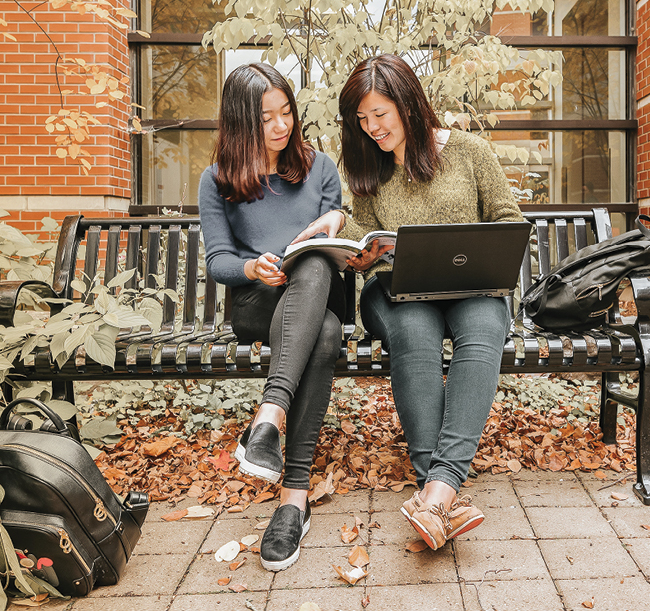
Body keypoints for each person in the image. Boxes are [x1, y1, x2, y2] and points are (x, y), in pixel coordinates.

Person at [293, 53, 524, 550]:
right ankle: (443, 494)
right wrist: (344, 233)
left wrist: (477, 247)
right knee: (414, 335)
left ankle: (435, 493)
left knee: (483, 333)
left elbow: (508, 220)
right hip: (397, 290)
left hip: (474, 287)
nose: (372, 128)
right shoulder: (372, 167)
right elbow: (362, 230)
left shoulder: (469, 152)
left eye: (381, 114)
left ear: (409, 104)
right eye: (362, 119)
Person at [198, 63, 345, 571]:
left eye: (287, 113)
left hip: (317, 291)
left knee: (313, 264)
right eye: (267, 118)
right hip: (259, 303)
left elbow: (333, 250)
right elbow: (217, 260)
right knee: (323, 333)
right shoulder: (218, 179)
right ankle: (294, 497)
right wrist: (251, 267)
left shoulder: (320, 167)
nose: (281, 126)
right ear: (241, 122)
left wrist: (336, 221)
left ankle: (268, 422)